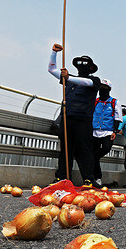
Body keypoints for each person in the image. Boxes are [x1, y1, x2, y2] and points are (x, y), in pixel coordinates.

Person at [49, 43, 101, 186]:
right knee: (66, 149)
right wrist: (54, 53)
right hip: (67, 118)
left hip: (83, 120)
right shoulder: (69, 80)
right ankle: (62, 178)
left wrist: (68, 77)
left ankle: (88, 179)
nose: (82, 66)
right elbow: (51, 69)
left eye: (86, 63)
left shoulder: (94, 80)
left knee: (85, 149)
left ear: (91, 68)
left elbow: (86, 82)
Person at [91, 80, 121, 188]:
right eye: (101, 87)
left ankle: (95, 176)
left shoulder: (114, 102)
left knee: (105, 148)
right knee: (94, 155)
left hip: (107, 132)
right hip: (94, 131)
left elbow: (118, 118)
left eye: (105, 87)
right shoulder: (95, 101)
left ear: (109, 89)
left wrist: (114, 131)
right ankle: (96, 178)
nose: (102, 89)